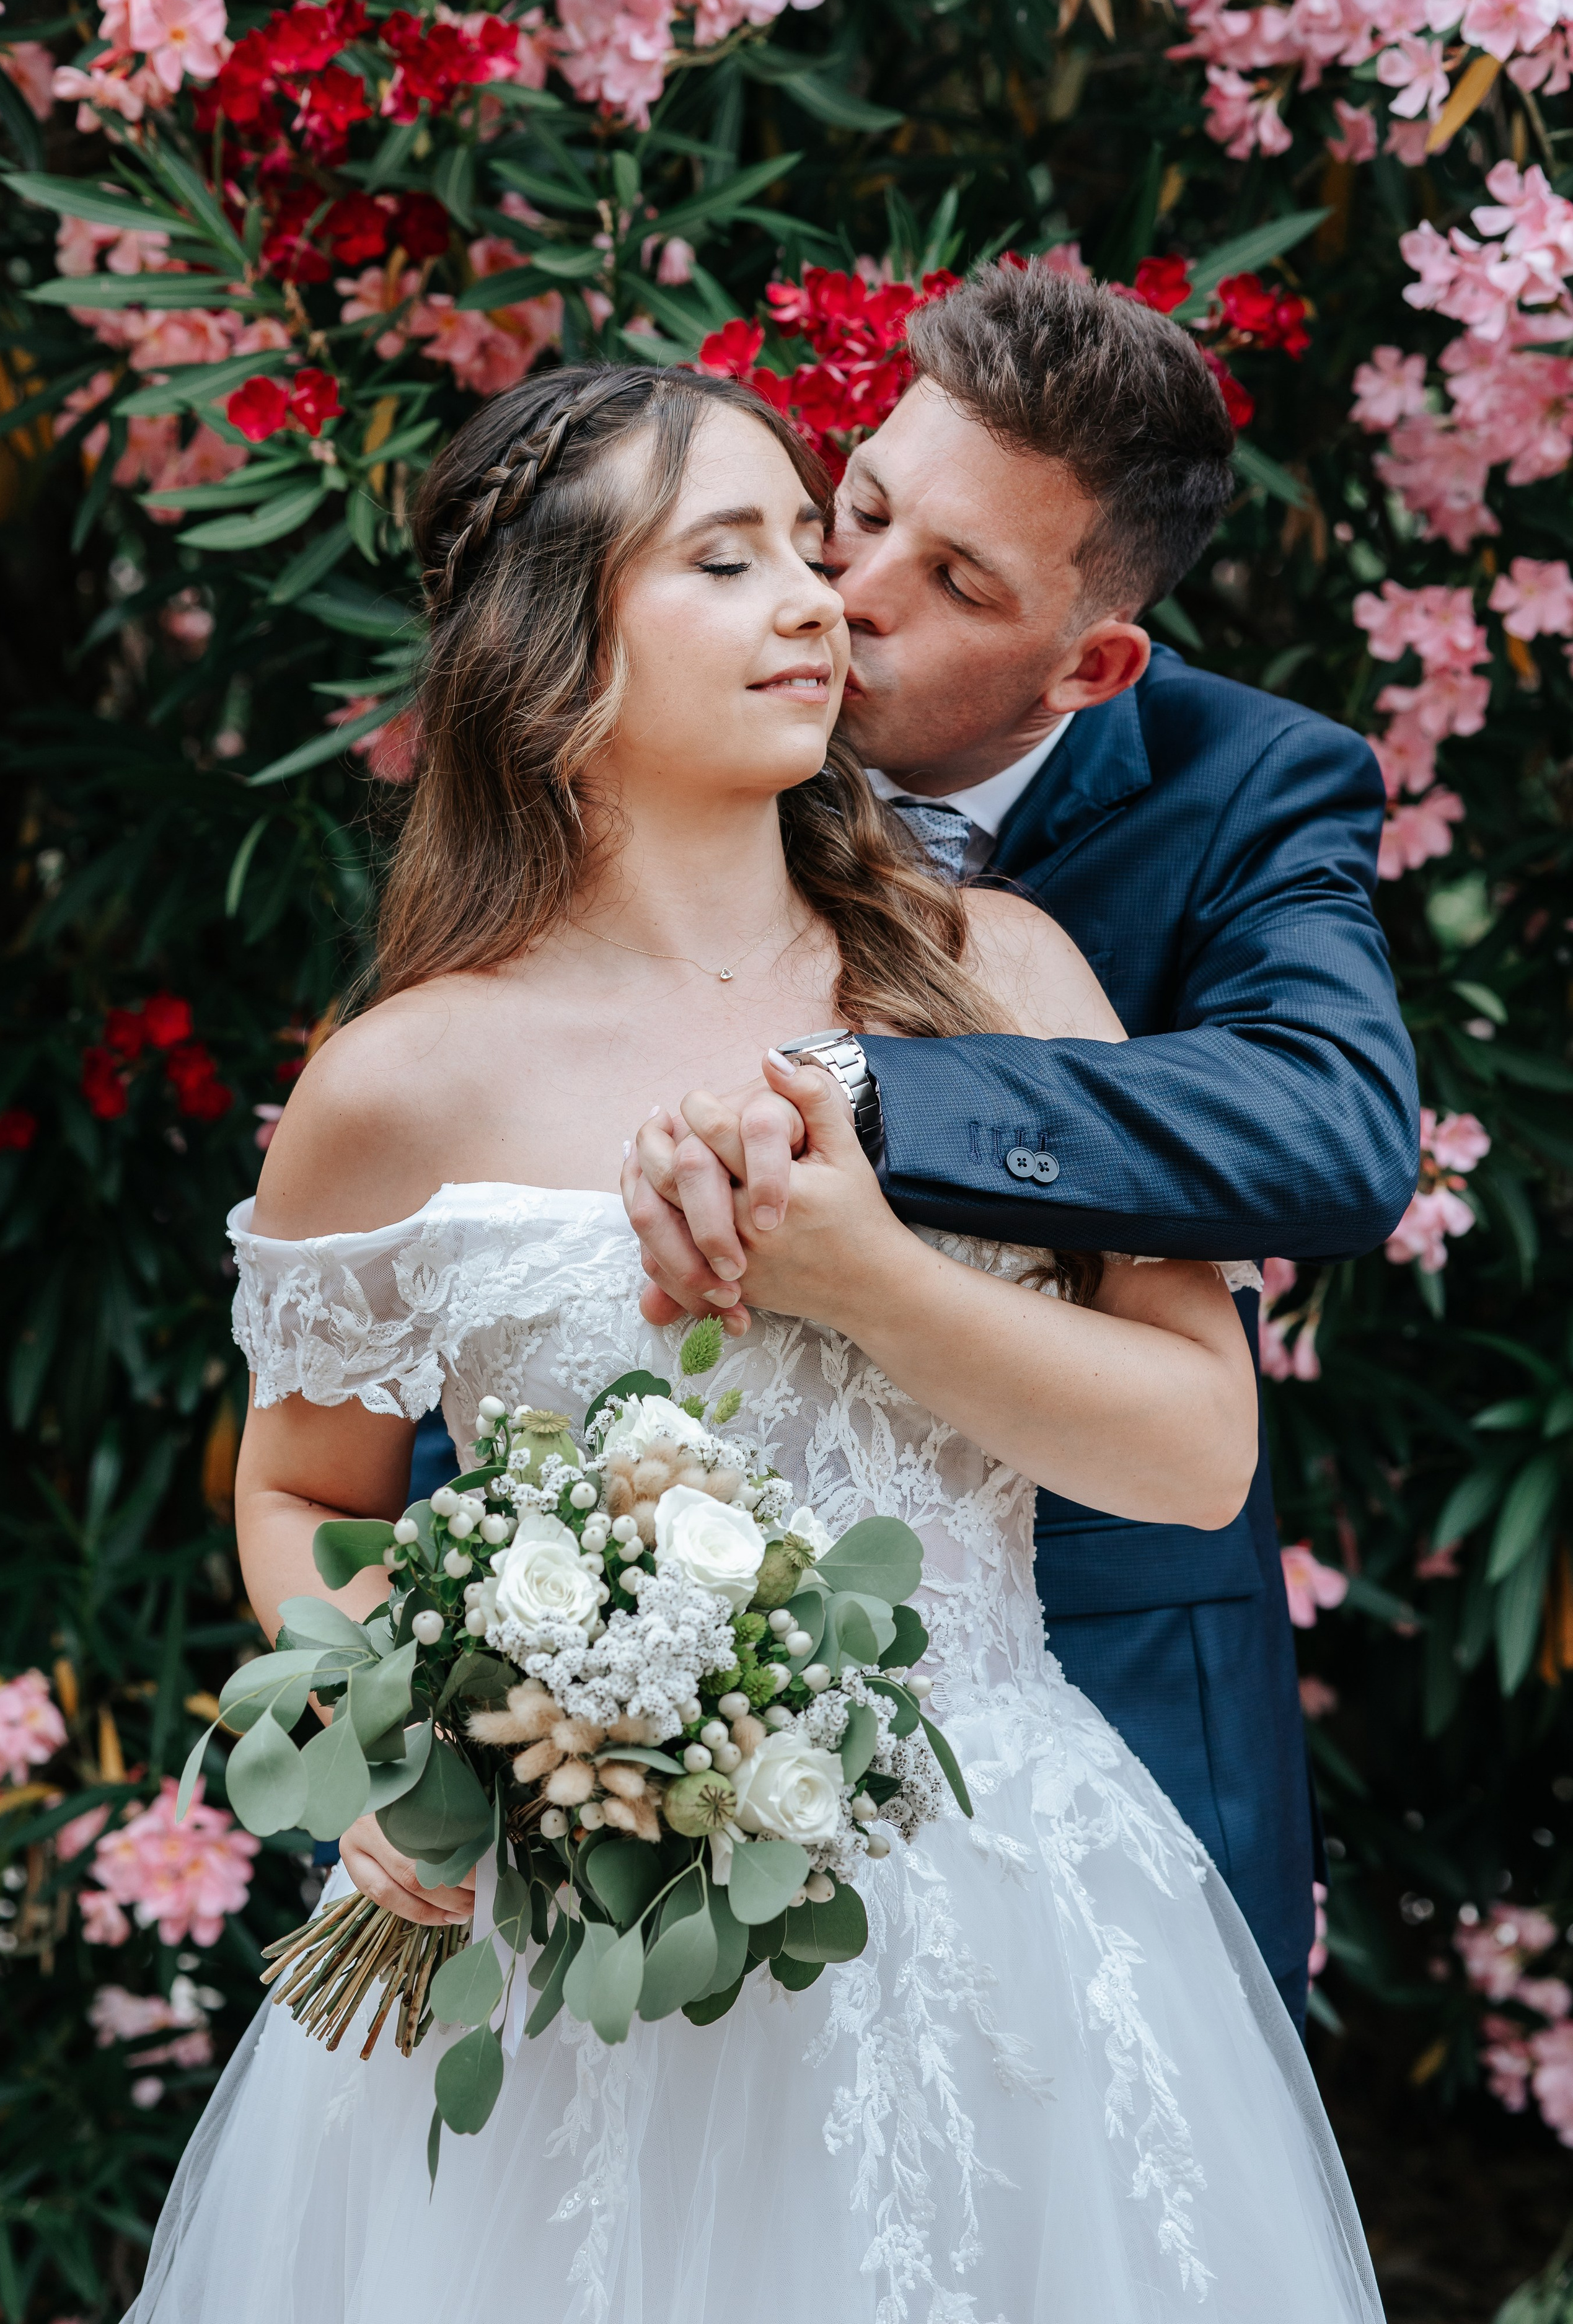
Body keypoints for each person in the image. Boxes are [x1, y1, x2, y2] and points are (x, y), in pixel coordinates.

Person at [128, 361, 1383, 2322]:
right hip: (567, 1946)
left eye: (817, 546)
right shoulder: (399, 1085)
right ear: (553, 649)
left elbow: (1191, 1452)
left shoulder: (1009, 981)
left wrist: (866, 1276)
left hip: (1004, 1910)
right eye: (735, 558)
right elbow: (302, 1483)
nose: (821, 597)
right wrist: (379, 1735)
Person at [623, 261, 1421, 2035]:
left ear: (1094, 660)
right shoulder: (670, 720)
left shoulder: (1249, 787)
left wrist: (881, 1093)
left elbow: (1336, 1127)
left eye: (954, 581)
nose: (851, 591)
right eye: (869, 508)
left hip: (1098, 1668)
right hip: (654, 1690)